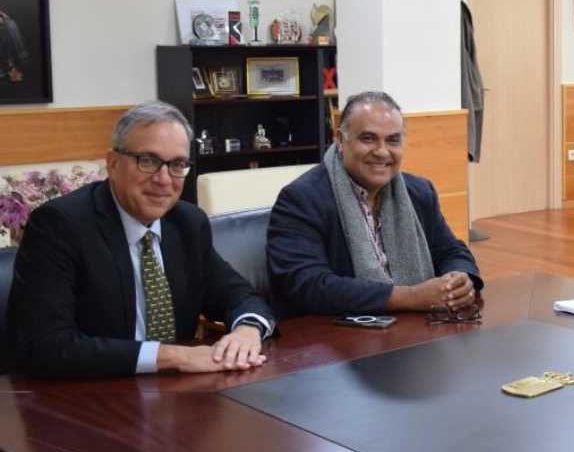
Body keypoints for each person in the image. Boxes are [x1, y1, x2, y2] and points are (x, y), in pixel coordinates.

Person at [8, 101, 274, 378]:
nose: (163, 179)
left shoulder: (187, 223)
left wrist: (248, 330)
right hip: (89, 397)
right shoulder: (60, 225)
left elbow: (241, 296)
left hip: (177, 396)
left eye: (177, 164)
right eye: (148, 161)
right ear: (113, 164)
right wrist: (172, 356)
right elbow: (46, 346)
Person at [268, 90, 481, 317]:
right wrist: (409, 297)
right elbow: (309, 285)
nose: (382, 152)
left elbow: (451, 250)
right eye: (368, 139)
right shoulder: (301, 199)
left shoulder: (419, 192)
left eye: (393, 140)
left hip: (415, 331)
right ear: (340, 140)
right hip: (337, 338)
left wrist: (459, 280)